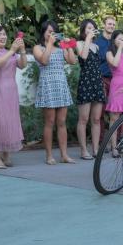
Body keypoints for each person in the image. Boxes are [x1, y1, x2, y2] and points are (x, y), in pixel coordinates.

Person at [33, 20, 77, 165]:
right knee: (50, 122)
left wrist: (69, 46)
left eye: (53, 32)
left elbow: (72, 61)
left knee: (62, 122)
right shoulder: (38, 48)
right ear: (43, 32)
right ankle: (49, 155)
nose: (51, 34)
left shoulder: (60, 48)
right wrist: (50, 44)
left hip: (61, 85)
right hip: (48, 86)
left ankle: (64, 155)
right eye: (48, 31)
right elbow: (44, 61)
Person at [0, 25, 27, 168]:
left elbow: (22, 65)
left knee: (10, 120)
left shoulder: (11, 52)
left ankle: (6, 154)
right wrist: (13, 51)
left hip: (10, 91)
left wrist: (22, 50)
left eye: (4, 34)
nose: (3, 37)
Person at [75, 19, 106, 159]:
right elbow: (84, 56)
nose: (91, 30)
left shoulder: (97, 46)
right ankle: (83, 150)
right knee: (83, 119)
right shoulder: (79, 43)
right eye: (88, 28)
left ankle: (95, 149)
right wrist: (87, 39)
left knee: (96, 119)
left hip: (97, 82)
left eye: (93, 28)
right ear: (83, 31)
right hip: (86, 82)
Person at [94, 16, 116, 141]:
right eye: (109, 24)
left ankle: (117, 141)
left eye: (113, 24)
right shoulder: (97, 42)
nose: (111, 26)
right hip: (102, 78)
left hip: (115, 79)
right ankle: (101, 141)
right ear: (104, 25)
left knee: (116, 112)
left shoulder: (116, 42)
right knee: (100, 112)